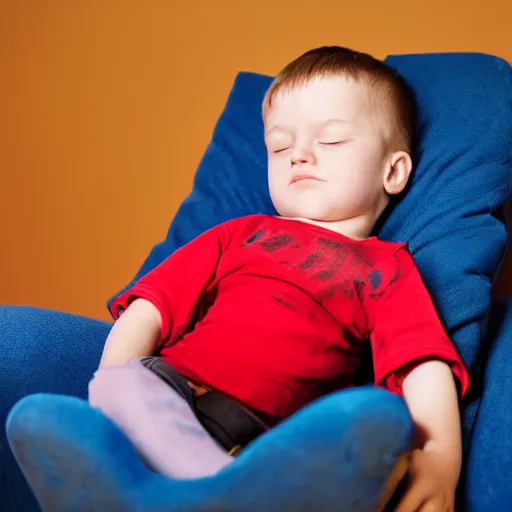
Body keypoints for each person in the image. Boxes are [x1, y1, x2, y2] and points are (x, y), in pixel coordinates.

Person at [90, 46, 469, 511]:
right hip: (176, 393)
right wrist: (106, 399)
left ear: (393, 171)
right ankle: (213, 485)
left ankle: (190, 486)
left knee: (377, 417)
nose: (299, 156)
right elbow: (149, 309)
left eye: (329, 141)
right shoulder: (239, 234)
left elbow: (421, 365)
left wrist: (440, 459)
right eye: (280, 145)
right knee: (118, 384)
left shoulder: (386, 267)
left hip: (277, 438)